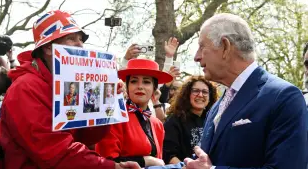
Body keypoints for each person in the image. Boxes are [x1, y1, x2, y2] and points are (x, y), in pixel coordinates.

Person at [0, 10, 139, 169]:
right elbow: (54, 153)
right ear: (48, 48)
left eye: (80, 39)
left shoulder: (71, 81)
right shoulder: (25, 88)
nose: (80, 44)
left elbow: (88, 138)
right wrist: (112, 167)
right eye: (71, 38)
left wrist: (106, 103)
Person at [184, 13, 307, 169]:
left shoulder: (284, 97)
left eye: (202, 46)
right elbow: (197, 164)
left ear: (225, 47)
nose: (196, 57)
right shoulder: (217, 106)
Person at [96, 59, 173, 168]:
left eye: (146, 82)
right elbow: (106, 161)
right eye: (133, 81)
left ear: (154, 88)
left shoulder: (158, 124)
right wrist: (146, 161)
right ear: (127, 86)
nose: (140, 86)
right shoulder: (114, 117)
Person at [163, 76, 218, 164]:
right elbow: (169, 155)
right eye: (196, 91)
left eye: (205, 92)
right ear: (187, 94)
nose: (200, 95)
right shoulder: (174, 120)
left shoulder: (214, 120)